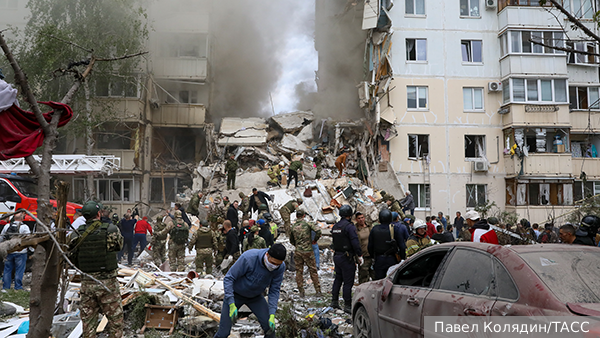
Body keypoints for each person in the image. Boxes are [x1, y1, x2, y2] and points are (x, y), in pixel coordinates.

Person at [68, 201, 123, 338]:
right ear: (98, 214)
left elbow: (71, 255)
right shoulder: (110, 229)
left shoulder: (77, 233)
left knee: (88, 324)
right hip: (107, 283)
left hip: (87, 283)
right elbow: (119, 246)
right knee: (115, 322)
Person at [214, 244, 287, 338]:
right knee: (223, 333)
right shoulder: (249, 258)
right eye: (273, 262)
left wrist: (272, 313)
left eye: (278, 264)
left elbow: (274, 290)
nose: (274, 266)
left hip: (255, 297)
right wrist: (231, 302)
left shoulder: (280, 268)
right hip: (236, 295)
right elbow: (229, 278)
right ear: (267, 254)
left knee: (270, 329)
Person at [330, 204, 362, 313]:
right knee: (348, 282)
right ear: (349, 215)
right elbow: (355, 242)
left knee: (338, 279)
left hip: (337, 256)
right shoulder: (349, 227)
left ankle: (334, 301)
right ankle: (347, 305)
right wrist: (359, 255)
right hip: (347, 257)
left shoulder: (335, 227)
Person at [289, 210, 322, 297]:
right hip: (308, 251)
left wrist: (297, 245)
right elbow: (319, 231)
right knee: (313, 271)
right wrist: (314, 240)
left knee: (299, 272)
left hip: (298, 251)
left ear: (296, 216)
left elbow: (291, 240)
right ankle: (318, 291)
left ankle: (301, 292)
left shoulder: (293, 227)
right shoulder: (308, 224)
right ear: (304, 215)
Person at [368, 209, 408, 280]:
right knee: (392, 280)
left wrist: (373, 257)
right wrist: (402, 258)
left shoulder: (374, 229)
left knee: (379, 281)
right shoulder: (395, 229)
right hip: (392, 259)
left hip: (379, 259)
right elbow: (402, 245)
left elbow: (370, 246)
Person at [1, 211, 30, 290]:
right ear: (22, 218)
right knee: (19, 270)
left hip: (9, 251)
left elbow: (1, 237)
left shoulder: (7, 226)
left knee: (7, 270)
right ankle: (18, 287)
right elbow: (28, 239)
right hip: (21, 252)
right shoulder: (25, 227)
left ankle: (5, 288)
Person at [355, 212, 373, 284]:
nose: (361, 220)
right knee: (363, 277)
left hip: (371, 255)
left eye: (362, 217)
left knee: (375, 276)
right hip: (363, 257)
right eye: (359, 218)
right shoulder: (355, 230)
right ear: (356, 220)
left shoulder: (369, 227)